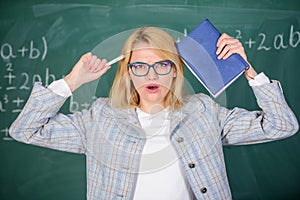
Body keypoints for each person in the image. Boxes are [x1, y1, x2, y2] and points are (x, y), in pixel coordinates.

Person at [9, 26, 298, 200]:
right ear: (128, 72)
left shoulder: (205, 112)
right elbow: (24, 130)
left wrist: (246, 69)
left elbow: (281, 125)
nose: (152, 74)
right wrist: (71, 82)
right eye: (140, 66)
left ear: (175, 71)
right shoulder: (99, 119)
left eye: (162, 65)